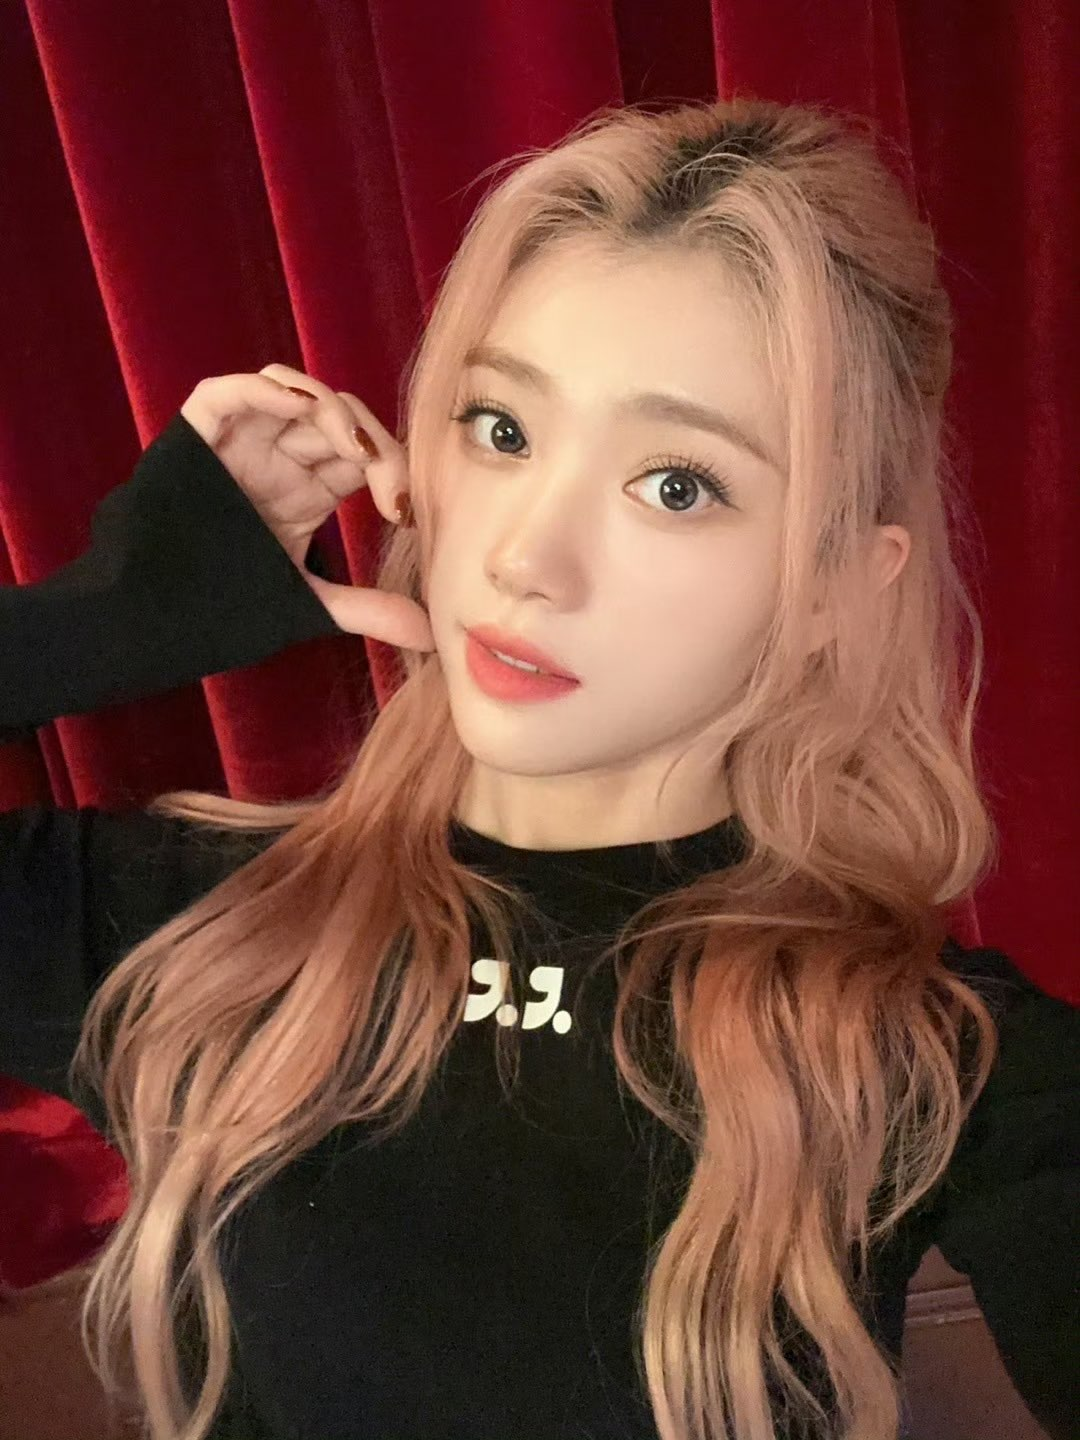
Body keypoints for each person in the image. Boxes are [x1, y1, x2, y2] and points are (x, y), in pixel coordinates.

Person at [1, 94, 1077, 1440]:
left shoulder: (928, 1057)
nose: (525, 558)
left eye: (677, 484)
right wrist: (118, 605)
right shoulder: (195, 923)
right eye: (501, 429)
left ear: (833, 591)